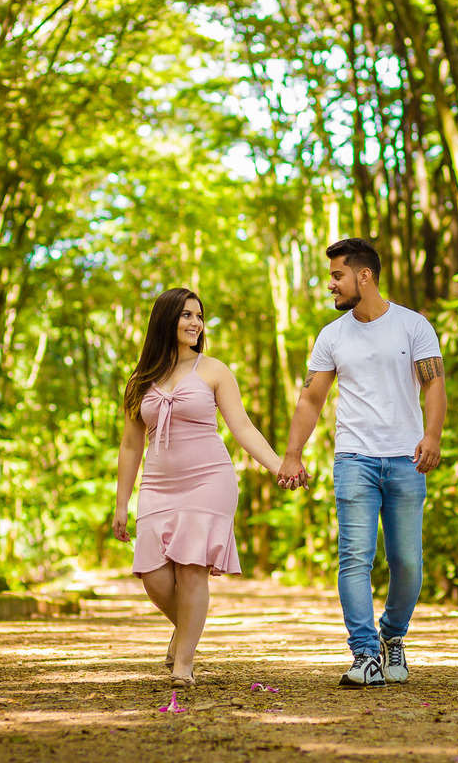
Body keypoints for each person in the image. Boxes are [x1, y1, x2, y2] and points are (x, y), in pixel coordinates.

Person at [277, 238, 446, 688]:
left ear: (363, 276)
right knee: (355, 557)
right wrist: (292, 452)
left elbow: (433, 385)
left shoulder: (413, 326)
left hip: (406, 458)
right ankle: (366, 654)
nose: (330, 284)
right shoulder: (332, 336)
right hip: (354, 458)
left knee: (408, 562)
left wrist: (432, 435)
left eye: (337, 275)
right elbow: (311, 398)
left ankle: (392, 637)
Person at [113, 287, 285, 689]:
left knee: (192, 571)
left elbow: (242, 427)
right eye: (186, 315)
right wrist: (122, 502)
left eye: (199, 316)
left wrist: (279, 466)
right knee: (154, 578)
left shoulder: (213, 370)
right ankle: (185, 629)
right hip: (157, 484)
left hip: (210, 479)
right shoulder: (140, 380)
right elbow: (130, 444)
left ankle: (183, 665)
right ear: (165, 320)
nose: (195, 323)